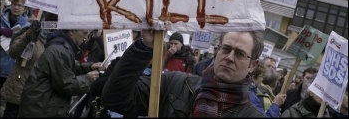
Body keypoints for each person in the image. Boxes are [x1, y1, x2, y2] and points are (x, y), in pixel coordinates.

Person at [101, 30, 267, 117]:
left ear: (253, 65)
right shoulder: (175, 83)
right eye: (226, 49)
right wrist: (144, 47)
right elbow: (115, 99)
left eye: (239, 54)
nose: (229, 58)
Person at [18, 29, 103, 117]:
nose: (86, 37)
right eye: (84, 33)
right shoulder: (59, 50)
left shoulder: (63, 46)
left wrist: (90, 67)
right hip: (41, 108)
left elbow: (67, 67)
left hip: (44, 105)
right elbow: (66, 85)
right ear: (71, 31)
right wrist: (88, 79)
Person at [0, 20, 46, 118]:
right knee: (11, 112)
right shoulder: (29, 32)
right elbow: (13, 52)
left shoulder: (53, 40)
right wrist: (27, 37)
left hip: (36, 86)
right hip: (19, 80)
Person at [0, 0, 30, 90]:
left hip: (11, 67)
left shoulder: (27, 26)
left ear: (24, 9)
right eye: (14, 4)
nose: (16, 7)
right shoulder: (1, 19)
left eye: (20, 5)